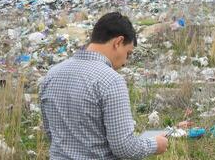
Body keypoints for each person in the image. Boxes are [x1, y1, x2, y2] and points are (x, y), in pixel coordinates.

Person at [39, 12, 168, 159]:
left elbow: (51, 133)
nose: (126, 61)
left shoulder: (51, 75)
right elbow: (124, 148)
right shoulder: (111, 81)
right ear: (118, 42)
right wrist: (155, 144)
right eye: (128, 53)